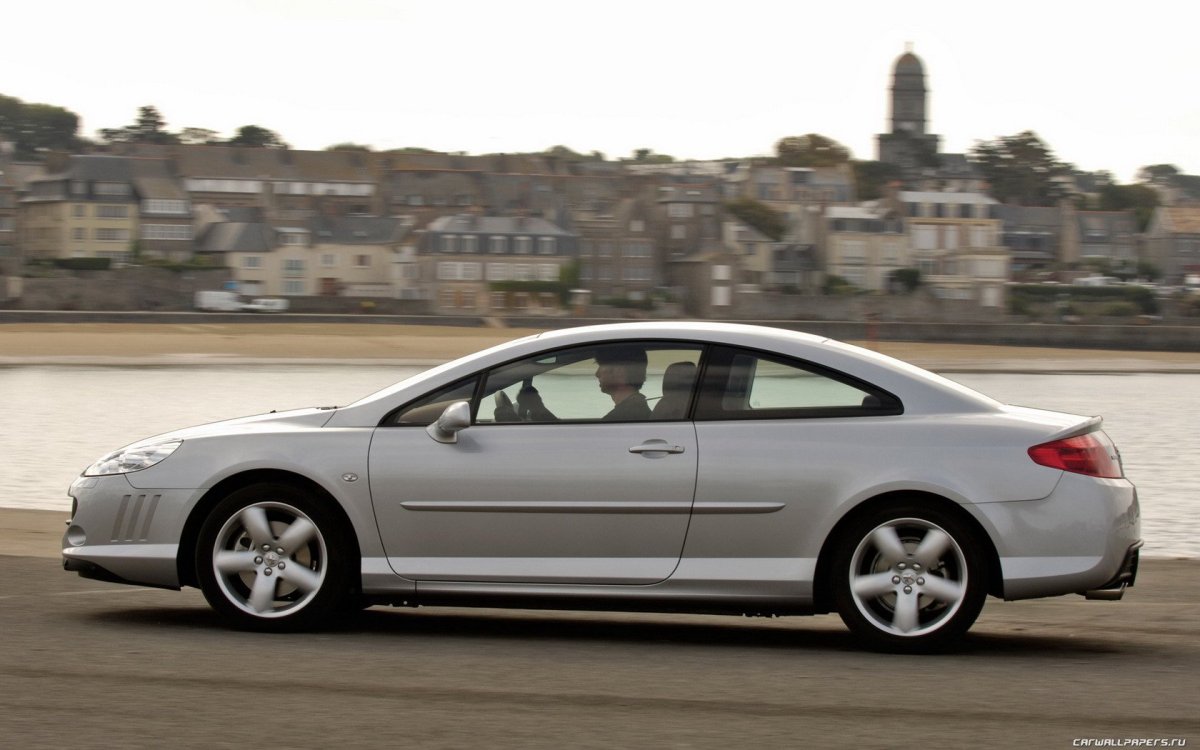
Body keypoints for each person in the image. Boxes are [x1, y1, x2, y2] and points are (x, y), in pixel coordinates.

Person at [496, 346, 651, 422]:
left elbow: (577, 449)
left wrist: (512, 422)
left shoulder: (628, 414)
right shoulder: (632, 410)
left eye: (601, 366)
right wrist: (538, 408)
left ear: (620, 373)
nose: (597, 374)